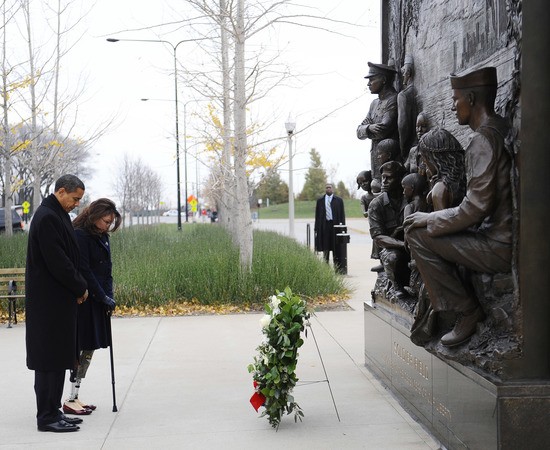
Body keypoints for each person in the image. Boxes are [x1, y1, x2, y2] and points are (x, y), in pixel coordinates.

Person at [404, 67, 513, 347]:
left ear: (472, 99)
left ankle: (466, 311)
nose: (453, 106)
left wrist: (430, 219)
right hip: (500, 238)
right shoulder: (501, 128)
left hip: (498, 246)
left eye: (456, 99)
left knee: (416, 235)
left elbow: (475, 208)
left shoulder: (482, 141)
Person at [25, 174, 88, 433]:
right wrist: (80, 286)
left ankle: (54, 411)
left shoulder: (56, 213)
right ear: (61, 191)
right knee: (48, 361)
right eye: (75, 199)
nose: (76, 204)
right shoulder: (48, 217)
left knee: (58, 358)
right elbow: (58, 261)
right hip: (48, 303)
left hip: (57, 302)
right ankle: (47, 416)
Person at [63, 198, 122, 415]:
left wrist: (109, 295)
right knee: (79, 348)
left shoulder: (102, 237)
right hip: (85, 300)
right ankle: (70, 397)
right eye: (106, 221)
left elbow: (107, 270)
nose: (108, 225)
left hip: (98, 300)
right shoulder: (80, 235)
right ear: (95, 216)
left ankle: (76, 395)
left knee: (89, 348)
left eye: (110, 222)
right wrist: (100, 296)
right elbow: (85, 271)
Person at [368, 161, 410, 300]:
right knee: (392, 257)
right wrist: (402, 245)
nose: (384, 182)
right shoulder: (376, 204)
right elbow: (378, 237)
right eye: (383, 178)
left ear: (400, 179)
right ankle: (396, 286)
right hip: (392, 249)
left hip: (415, 243)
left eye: (389, 178)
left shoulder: (411, 199)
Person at [357, 62, 399, 180]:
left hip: (389, 163)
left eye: (372, 79)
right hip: (375, 160)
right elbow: (358, 132)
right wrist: (369, 128)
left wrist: (367, 128)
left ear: (384, 79)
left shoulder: (393, 99)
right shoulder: (374, 104)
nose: (368, 84)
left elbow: (382, 130)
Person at [314, 183, 346, 266]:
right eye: (327, 188)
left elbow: (342, 215)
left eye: (330, 187)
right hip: (325, 226)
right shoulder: (320, 200)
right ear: (325, 189)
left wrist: (342, 228)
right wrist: (316, 228)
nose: (328, 189)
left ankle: (337, 265)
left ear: (333, 189)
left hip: (335, 226)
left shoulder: (339, 200)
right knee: (326, 246)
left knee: (336, 246)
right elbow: (317, 216)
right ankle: (326, 264)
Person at [397, 55, 419, 161]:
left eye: (403, 73)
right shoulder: (415, 92)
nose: (402, 76)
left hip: (409, 145)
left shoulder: (403, 95)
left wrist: (402, 149)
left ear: (408, 73)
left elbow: (402, 125)